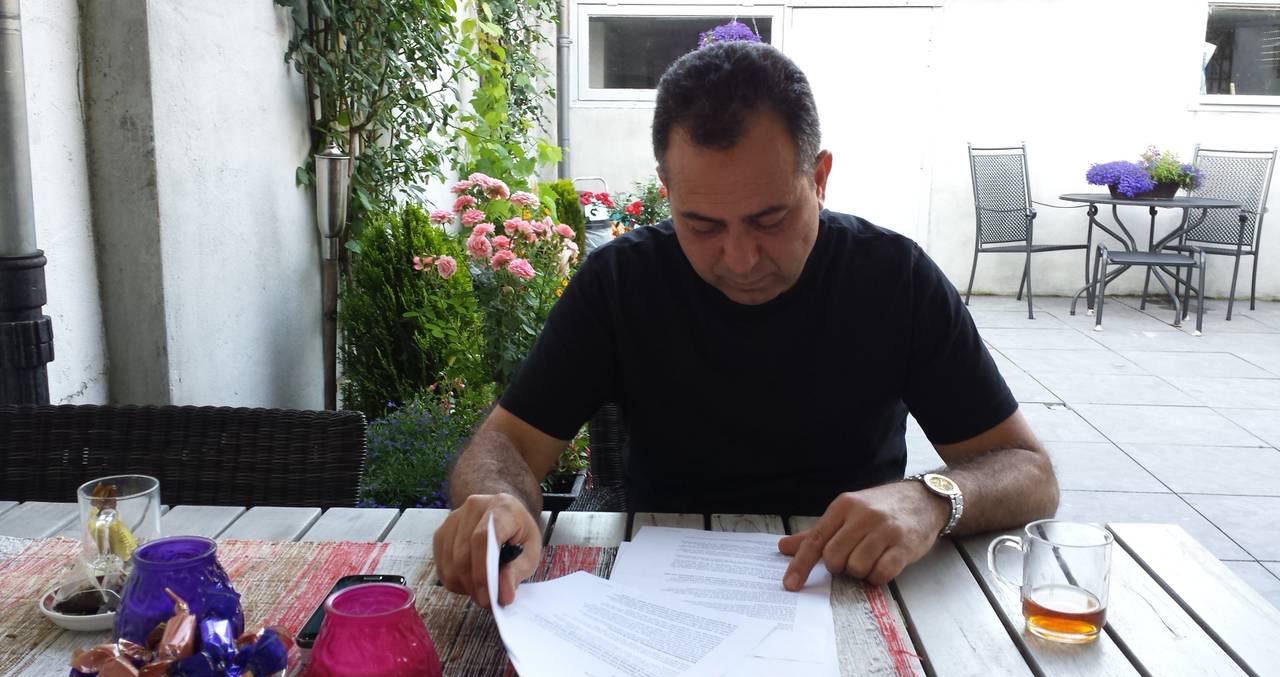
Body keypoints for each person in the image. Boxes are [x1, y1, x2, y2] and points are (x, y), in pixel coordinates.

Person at [433, 42, 1057, 608]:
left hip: (850, 589)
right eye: (702, 225)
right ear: (667, 190)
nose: (740, 259)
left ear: (819, 179)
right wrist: (499, 503)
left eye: (769, 220)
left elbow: (1031, 473)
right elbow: (506, 445)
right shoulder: (620, 283)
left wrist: (931, 497)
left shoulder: (895, 279)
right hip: (659, 602)